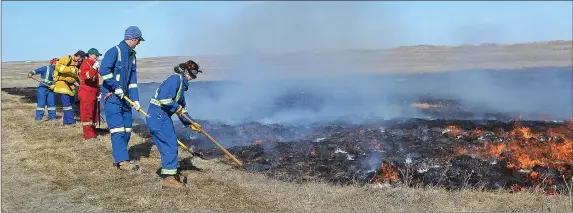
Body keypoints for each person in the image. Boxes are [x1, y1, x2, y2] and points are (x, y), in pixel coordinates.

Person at [146, 60, 203, 189]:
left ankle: (173, 173)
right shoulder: (175, 79)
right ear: (185, 71)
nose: (194, 77)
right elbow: (164, 99)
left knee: (171, 143)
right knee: (169, 144)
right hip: (157, 116)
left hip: (163, 117)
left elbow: (182, 110)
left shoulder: (181, 85)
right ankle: (169, 180)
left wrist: (191, 123)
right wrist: (176, 107)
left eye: (195, 74)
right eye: (193, 73)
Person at [99, 26, 144, 170]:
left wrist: (136, 99)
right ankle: (122, 161)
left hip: (126, 99)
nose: (139, 44)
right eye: (138, 41)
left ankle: (121, 156)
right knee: (118, 129)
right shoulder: (115, 51)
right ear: (133, 39)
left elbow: (132, 80)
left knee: (128, 129)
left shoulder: (132, 56)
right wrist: (115, 86)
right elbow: (104, 70)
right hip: (112, 97)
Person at [53, 50, 86, 125]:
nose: (83, 60)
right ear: (78, 56)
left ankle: (66, 121)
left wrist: (83, 85)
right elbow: (58, 67)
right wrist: (70, 70)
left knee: (71, 104)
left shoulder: (77, 65)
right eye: (82, 58)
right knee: (67, 105)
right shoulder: (67, 58)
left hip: (71, 86)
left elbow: (77, 77)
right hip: (62, 84)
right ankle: (70, 121)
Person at [78, 48, 103, 140]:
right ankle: (89, 136)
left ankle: (92, 132)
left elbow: (95, 81)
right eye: (96, 55)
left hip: (92, 93)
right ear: (90, 55)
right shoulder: (86, 64)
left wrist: (98, 91)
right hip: (86, 93)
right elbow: (86, 77)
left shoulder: (92, 64)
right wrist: (93, 68)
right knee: (87, 114)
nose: (97, 57)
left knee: (93, 114)